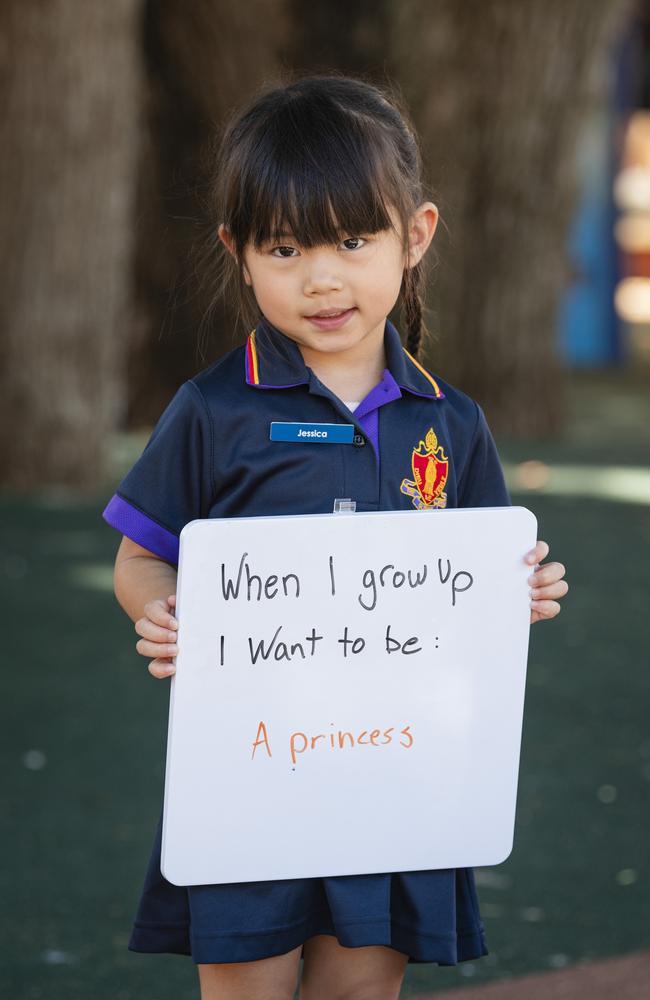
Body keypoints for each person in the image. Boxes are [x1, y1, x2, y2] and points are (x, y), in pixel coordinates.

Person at [102, 74, 569, 1000]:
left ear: (416, 236)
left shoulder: (452, 425)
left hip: (398, 776)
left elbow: (476, 583)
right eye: (285, 248)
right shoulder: (211, 410)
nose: (322, 278)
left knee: (361, 985)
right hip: (249, 771)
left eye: (354, 241)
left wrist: (517, 596)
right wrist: (162, 611)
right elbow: (141, 553)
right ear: (238, 253)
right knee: (249, 987)